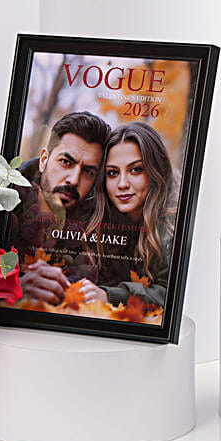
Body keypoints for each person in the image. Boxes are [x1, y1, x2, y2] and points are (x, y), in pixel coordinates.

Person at [12, 111, 111, 305]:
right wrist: (15, 289)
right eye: (66, 162)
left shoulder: (96, 224)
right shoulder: (3, 203)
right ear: (44, 160)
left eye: (88, 171)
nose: (74, 180)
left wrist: (105, 295)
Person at [80, 122, 178, 307]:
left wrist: (111, 296)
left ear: (156, 171)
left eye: (135, 170)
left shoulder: (175, 223)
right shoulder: (95, 218)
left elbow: (171, 293)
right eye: (112, 173)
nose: (122, 184)